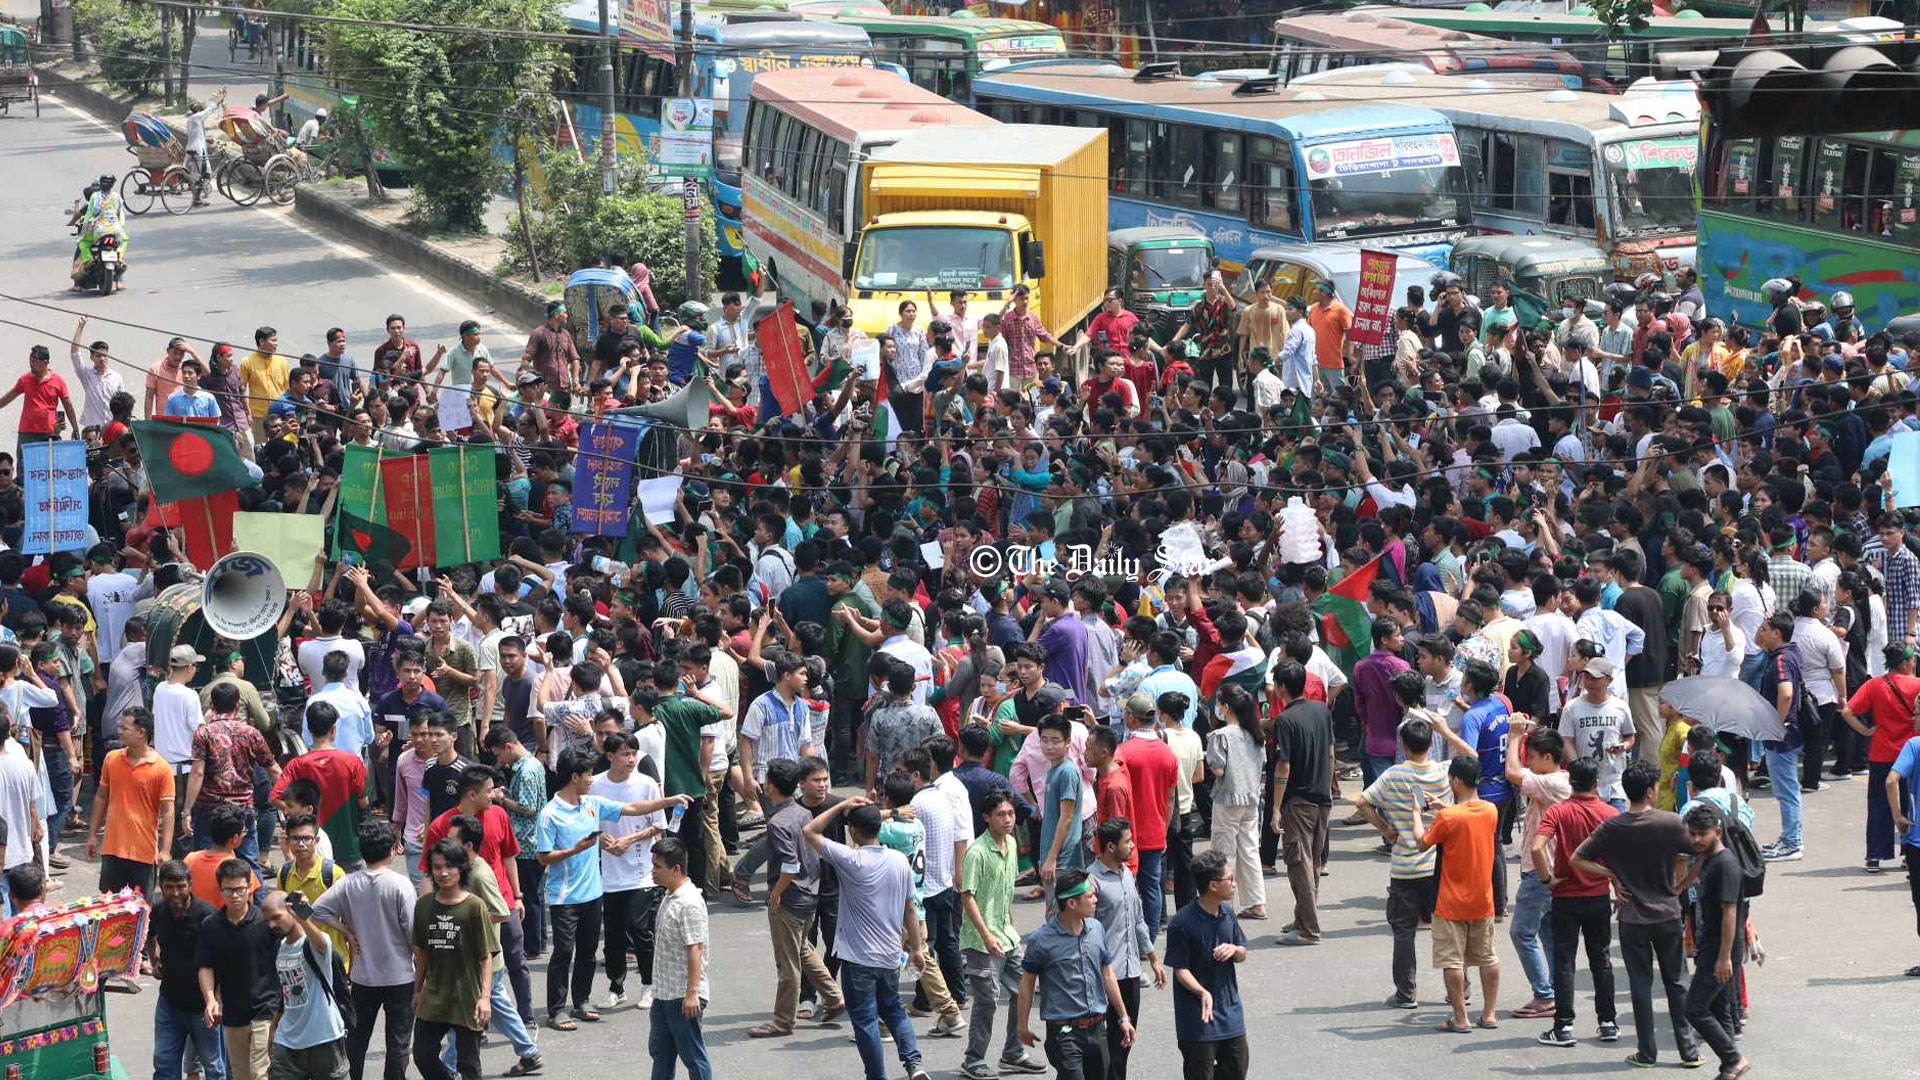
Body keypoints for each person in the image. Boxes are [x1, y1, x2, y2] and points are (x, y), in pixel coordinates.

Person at [535, 747, 690, 1029]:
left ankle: (580, 1001)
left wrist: (668, 800)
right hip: (564, 898)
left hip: (593, 894)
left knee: (587, 950)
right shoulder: (549, 814)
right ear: (574, 777)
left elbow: (631, 809)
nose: (592, 779)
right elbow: (543, 857)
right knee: (563, 953)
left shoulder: (592, 802)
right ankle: (557, 1010)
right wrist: (575, 849)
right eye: (587, 775)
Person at [1570, 760, 1701, 1068]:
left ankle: (1647, 1052)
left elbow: (1578, 859)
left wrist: (1611, 876)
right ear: (1650, 791)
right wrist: (1683, 882)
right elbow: (1704, 850)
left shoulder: (1612, 827)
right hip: (1668, 913)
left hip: (1632, 919)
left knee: (1640, 985)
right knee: (1677, 983)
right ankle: (1689, 1051)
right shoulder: (1670, 823)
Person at [800, 796, 934, 1080]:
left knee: (864, 1020)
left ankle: (877, 1076)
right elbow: (910, 907)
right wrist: (918, 948)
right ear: (880, 828)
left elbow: (810, 831)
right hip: (889, 956)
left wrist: (839, 805)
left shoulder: (851, 859)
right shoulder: (899, 861)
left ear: (853, 831)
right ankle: (914, 1064)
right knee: (894, 1010)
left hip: (857, 958)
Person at [1355, 699, 1453, 1009]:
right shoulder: (1443, 772)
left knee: (1403, 932)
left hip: (1405, 867)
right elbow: (1471, 757)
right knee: (1447, 931)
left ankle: (1406, 992)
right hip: (1438, 864)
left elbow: (1361, 802)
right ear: (1430, 743)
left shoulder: (1393, 776)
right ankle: (1457, 992)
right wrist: (1447, 731)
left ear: (1405, 746)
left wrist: (1385, 828)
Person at [312, 819, 418, 1080]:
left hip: (362, 976)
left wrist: (345, 930)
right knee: (398, 1044)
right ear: (393, 849)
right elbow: (414, 933)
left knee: (357, 1040)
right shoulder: (400, 884)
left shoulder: (349, 883)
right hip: (401, 976)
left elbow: (317, 910)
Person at [748, 756, 845, 1037]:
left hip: (790, 899)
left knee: (788, 962)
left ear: (772, 787)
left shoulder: (778, 822)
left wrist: (776, 894)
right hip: (811, 894)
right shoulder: (802, 813)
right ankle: (833, 994)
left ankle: (782, 1021)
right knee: (803, 948)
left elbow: (790, 865)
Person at [1532, 756, 1621, 1047]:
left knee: (1564, 962)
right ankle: (1607, 1022)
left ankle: (1564, 1026)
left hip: (1565, 898)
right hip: (1598, 896)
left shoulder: (1558, 811)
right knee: (1601, 959)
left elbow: (1537, 847)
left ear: (1571, 783)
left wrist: (1547, 879)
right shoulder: (1609, 813)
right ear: (1596, 783)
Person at [1015, 866, 1135, 1079]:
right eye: (1090, 896)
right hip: (1064, 1034)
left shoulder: (1096, 929)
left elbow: (1107, 974)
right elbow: (1026, 984)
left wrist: (1124, 1017)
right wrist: (1022, 1025)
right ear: (1071, 903)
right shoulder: (1041, 941)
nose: (1096, 899)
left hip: (1098, 1030)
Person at [958, 789, 1046, 1078]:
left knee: (1024, 991)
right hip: (981, 940)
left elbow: (1006, 891)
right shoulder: (978, 852)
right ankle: (973, 1060)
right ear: (986, 818)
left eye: (1010, 813)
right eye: (1001, 815)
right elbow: (967, 896)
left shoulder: (1010, 842)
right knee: (986, 1000)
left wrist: (1009, 927)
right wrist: (986, 936)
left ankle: (1013, 1052)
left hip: (1007, 936)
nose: (1008, 819)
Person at [1411, 754, 1501, 1034]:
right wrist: (1443, 809)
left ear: (1457, 781)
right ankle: (1488, 1014)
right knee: (1488, 957)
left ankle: (1460, 1017)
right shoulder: (1490, 810)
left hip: (1450, 901)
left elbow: (1421, 843)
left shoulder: (1449, 817)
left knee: (1452, 960)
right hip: (1482, 899)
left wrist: (1416, 813)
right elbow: (1466, 821)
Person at [591, 731, 668, 1011]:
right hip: (609, 873)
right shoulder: (596, 785)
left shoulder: (647, 784)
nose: (632, 759)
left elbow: (659, 824)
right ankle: (616, 987)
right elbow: (587, 821)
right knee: (612, 934)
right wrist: (602, 839)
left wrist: (630, 840)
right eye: (625, 754)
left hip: (641, 870)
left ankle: (649, 985)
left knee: (639, 929)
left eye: (634, 753)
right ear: (610, 756)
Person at [1503, 723, 1573, 1019]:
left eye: (1531, 756)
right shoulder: (1557, 780)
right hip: (1549, 869)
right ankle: (1556, 992)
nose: (1527, 761)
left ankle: (1544, 995)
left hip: (1542, 871)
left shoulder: (1555, 782)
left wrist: (1515, 734)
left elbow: (1512, 773)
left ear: (1547, 757)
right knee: (1546, 933)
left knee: (1521, 932)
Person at [1677, 803, 1751, 1080]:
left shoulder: (1726, 865)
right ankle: (1729, 1067)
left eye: (1702, 834)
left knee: (1694, 1008)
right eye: (1692, 833)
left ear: (1717, 832)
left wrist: (1724, 958)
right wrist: (1674, 889)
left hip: (1721, 950)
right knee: (1721, 1012)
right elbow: (1693, 874)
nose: (1695, 839)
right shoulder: (1707, 857)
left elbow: (1730, 913)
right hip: (1710, 944)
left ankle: (1734, 1059)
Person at [1088, 817, 1163, 1079]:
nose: (1133, 846)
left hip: (1131, 972)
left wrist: (1152, 958)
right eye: (1127, 841)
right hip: (1105, 976)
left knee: (1125, 1039)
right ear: (1110, 847)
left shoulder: (1127, 874)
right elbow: (1086, 933)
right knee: (1104, 1044)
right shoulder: (1092, 881)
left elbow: (1138, 919)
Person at [1165, 849, 1249, 1080]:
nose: (1233, 883)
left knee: (1237, 1069)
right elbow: (1180, 969)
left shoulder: (1227, 913)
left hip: (1230, 1014)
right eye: (1229, 879)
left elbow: (1242, 952)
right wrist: (1202, 992)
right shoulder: (1182, 923)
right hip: (1198, 1020)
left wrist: (1234, 950)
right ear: (1213, 885)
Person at [411, 840, 491, 1080]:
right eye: (436, 867)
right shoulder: (424, 905)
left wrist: (485, 997)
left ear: (461, 869)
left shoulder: (474, 907)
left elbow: (485, 957)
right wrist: (417, 990)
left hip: (467, 996)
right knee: (422, 1054)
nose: (443, 873)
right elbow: (422, 953)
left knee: (469, 1065)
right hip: (434, 994)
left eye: (449, 866)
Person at [1269, 660, 1334, 946]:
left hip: (1299, 802)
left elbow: (1283, 766)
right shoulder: (1321, 710)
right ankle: (1303, 917)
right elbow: (1331, 753)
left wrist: (1275, 808)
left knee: (1300, 865)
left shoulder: (1285, 720)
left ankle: (1308, 929)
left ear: (1282, 687)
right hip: (1322, 798)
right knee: (1313, 864)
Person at [199, 857, 280, 1080]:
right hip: (233, 1014)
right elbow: (206, 966)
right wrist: (210, 1000)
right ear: (220, 890)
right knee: (241, 1075)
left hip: (265, 1010)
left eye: (240, 889)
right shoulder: (211, 925)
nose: (234, 895)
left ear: (249, 888)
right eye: (228, 890)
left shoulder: (266, 922)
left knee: (260, 1073)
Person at [261, 889, 351, 1080]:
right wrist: (273, 1029)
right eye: (267, 920)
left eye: (277, 917)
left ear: (290, 910)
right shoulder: (278, 947)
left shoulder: (313, 944)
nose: (272, 924)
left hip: (325, 1039)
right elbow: (285, 994)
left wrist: (303, 918)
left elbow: (322, 945)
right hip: (288, 1042)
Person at [150, 859, 228, 1080]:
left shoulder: (208, 916)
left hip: (201, 1008)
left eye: (180, 886)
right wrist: (154, 961)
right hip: (169, 1003)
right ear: (161, 886)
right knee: (164, 1063)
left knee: (213, 1066)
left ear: (190, 885)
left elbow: (222, 962)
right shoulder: (158, 910)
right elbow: (149, 933)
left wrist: (217, 1001)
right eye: (169, 887)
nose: (175, 893)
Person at [88, 705, 174, 898]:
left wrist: (166, 850)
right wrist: (92, 834)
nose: (120, 732)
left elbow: (168, 811)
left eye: (124, 728)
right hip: (112, 848)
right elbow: (101, 796)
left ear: (141, 732)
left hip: (143, 853)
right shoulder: (112, 759)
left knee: (141, 910)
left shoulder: (161, 768)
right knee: (109, 908)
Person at [647, 837, 712, 1080]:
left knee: (693, 1056)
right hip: (663, 993)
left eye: (657, 867)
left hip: (682, 996)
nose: (652, 871)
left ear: (675, 869)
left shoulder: (689, 903)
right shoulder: (670, 895)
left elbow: (695, 949)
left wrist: (692, 993)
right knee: (660, 1053)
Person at [1204, 686, 1266, 920]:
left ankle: (1220, 902)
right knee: (1250, 850)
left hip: (1227, 798)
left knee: (1223, 851)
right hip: (1251, 798)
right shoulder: (1255, 734)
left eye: (1219, 704)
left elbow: (1218, 770)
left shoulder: (1220, 736)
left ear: (1226, 707)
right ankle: (1256, 902)